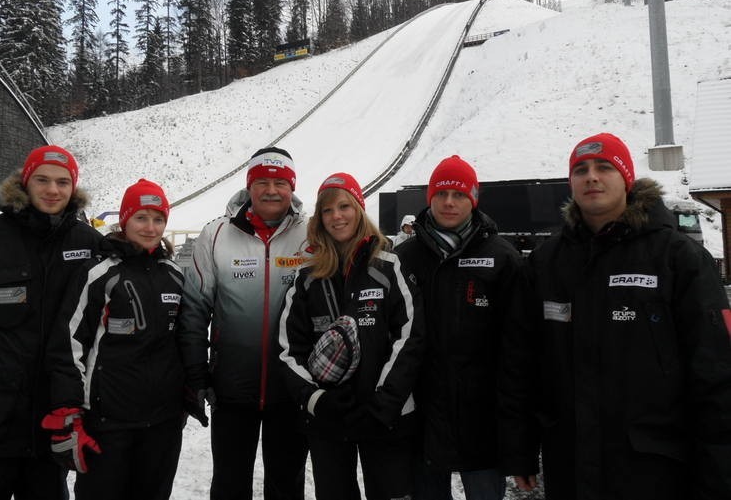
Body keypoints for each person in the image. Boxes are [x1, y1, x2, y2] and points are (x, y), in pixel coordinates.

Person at [505, 132, 731, 499]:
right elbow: (519, 362)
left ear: (626, 177)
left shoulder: (678, 258)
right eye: (581, 169)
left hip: (654, 469)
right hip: (571, 466)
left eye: (604, 166)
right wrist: (519, 449)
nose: (591, 177)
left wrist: (719, 474)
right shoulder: (546, 262)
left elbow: (716, 373)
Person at [0, 144, 103, 499]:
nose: (53, 190)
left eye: (63, 182)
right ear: (25, 182)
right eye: (43, 180)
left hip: (51, 429)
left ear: (73, 187)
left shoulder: (92, 244)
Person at [279, 172, 424, 500]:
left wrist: (383, 403)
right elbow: (288, 350)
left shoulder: (388, 268)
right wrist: (317, 400)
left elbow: (410, 336)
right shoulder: (307, 279)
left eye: (344, 206)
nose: (336, 216)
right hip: (330, 419)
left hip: (385, 416)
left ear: (359, 209)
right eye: (327, 210)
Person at [394, 155, 530, 500]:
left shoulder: (502, 257)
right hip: (423, 418)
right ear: (430, 199)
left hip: (482, 421)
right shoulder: (406, 257)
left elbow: (519, 348)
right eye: (441, 194)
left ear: (473, 199)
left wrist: (517, 435)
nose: (449, 202)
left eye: (459, 194)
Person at [178, 147, 310, 500]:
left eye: (280, 183)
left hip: (293, 387)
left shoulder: (311, 234)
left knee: (287, 484)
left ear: (292, 188)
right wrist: (196, 375)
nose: (271, 190)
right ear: (249, 186)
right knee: (230, 483)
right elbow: (194, 310)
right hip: (232, 388)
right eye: (262, 182)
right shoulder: (216, 234)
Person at [42, 179, 186, 500]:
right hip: (107, 423)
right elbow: (69, 345)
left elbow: (183, 341)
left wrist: (188, 395)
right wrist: (68, 411)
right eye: (141, 217)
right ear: (125, 220)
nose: (150, 227)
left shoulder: (174, 275)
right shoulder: (98, 273)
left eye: (158, 219)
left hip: (162, 422)